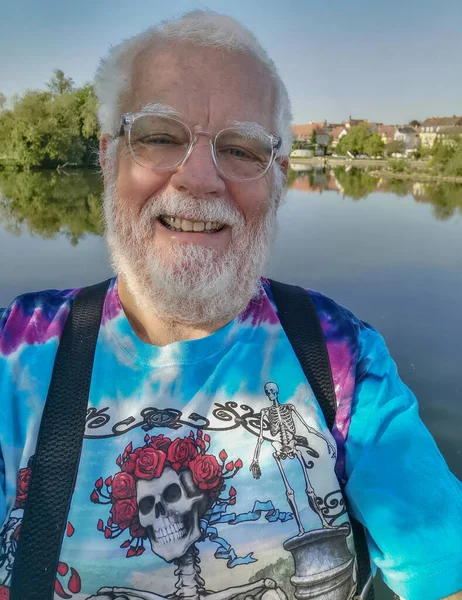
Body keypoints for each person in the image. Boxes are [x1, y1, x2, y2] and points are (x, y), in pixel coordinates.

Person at [0, 10, 461, 600]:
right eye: (160, 136)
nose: (198, 178)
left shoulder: (342, 357)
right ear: (109, 157)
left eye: (241, 148)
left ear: (278, 181)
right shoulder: (18, 351)